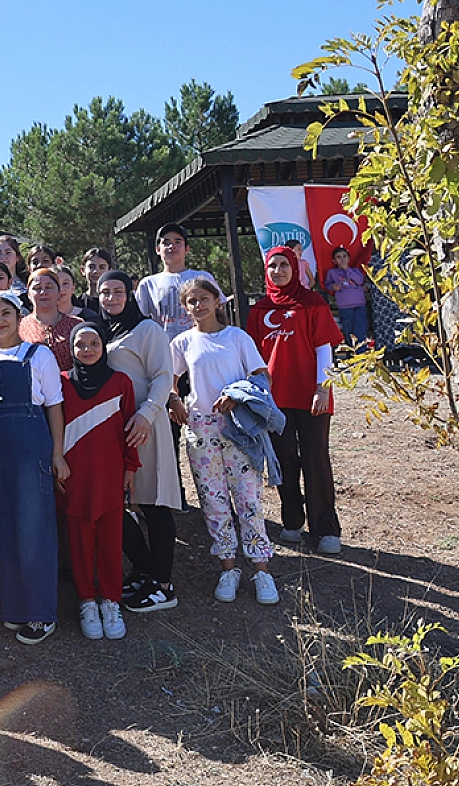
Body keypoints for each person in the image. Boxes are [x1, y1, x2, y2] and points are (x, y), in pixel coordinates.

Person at [170, 278, 280, 606]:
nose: (198, 305)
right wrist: (174, 399)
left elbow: (262, 375)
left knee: (248, 500)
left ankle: (261, 569)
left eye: (204, 298)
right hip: (200, 429)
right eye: (191, 301)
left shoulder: (237, 338)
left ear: (217, 301)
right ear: (185, 307)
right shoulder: (182, 343)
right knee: (214, 502)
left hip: (238, 427)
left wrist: (235, 394)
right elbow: (170, 380)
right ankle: (228, 568)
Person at [0, 290, 69, 645]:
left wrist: (57, 454)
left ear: (18, 316)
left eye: (5, 313)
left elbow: (55, 407)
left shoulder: (38, 354)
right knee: (2, 526)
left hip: (31, 446)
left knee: (34, 528)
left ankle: (41, 613)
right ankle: (13, 606)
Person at [95, 271, 184, 614]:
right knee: (119, 504)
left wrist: (147, 414)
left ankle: (163, 585)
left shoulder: (147, 329)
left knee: (153, 503)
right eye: (105, 293)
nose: (112, 298)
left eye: (119, 292)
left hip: (146, 425)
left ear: (130, 295)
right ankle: (145, 570)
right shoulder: (105, 332)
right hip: (116, 428)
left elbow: (162, 376)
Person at [247, 246, 346, 556]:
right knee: (283, 459)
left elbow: (324, 349)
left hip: (312, 396)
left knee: (316, 460)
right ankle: (291, 521)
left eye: (283, 265)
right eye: (272, 266)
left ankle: (325, 529)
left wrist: (323, 387)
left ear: (295, 267)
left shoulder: (313, 303)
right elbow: (252, 356)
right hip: (275, 401)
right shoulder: (259, 310)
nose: (278, 271)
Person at [59, 323, 140, 641]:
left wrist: (130, 468)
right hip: (75, 477)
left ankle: (110, 600)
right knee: (79, 542)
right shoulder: (62, 383)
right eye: (81, 344)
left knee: (110, 541)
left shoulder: (121, 382)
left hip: (110, 476)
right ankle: (87, 601)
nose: (88, 349)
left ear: (104, 347)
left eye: (95, 343)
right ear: (72, 348)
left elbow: (129, 430)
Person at [136, 224, 220, 341]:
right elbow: (140, 321)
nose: (172, 246)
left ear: (186, 249)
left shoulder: (203, 277)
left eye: (178, 242)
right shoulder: (148, 284)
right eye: (166, 242)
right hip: (165, 348)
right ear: (158, 250)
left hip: (202, 344)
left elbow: (219, 311)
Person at [20, 268, 82, 370]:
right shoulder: (19, 327)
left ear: (59, 292)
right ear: (29, 295)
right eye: (37, 288)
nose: (43, 292)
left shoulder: (76, 325)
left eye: (49, 287)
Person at [324, 247, 370, 349]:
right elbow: (327, 285)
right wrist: (333, 286)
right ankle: (353, 353)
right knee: (349, 331)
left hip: (359, 305)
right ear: (334, 261)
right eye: (339, 257)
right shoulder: (332, 272)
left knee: (361, 330)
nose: (342, 259)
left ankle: (361, 355)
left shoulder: (355, 270)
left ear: (349, 259)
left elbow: (359, 281)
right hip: (345, 306)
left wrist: (347, 269)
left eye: (344, 256)